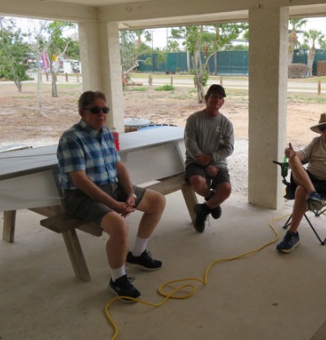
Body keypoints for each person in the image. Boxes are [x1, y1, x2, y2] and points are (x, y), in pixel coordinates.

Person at [57, 91, 166, 302]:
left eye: (104, 109)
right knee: (119, 226)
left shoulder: (105, 132)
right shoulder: (71, 138)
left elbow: (118, 166)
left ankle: (137, 254)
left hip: (111, 187)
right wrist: (114, 204)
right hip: (81, 197)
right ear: (82, 112)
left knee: (157, 201)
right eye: (95, 110)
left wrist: (130, 193)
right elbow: (80, 181)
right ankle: (117, 279)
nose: (101, 114)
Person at [276, 112, 326, 254]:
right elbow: (303, 154)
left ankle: (292, 234)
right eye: (322, 129)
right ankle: (313, 194)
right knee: (293, 159)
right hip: (309, 178)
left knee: (301, 190)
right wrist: (293, 154)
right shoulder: (316, 142)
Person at [184, 84, 234, 233]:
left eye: (220, 98)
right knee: (197, 181)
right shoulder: (194, 119)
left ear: (223, 102)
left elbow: (229, 148)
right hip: (195, 160)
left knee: (226, 189)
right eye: (214, 97)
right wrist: (206, 165)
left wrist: (212, 157)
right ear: (207, 98)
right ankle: (212, 200)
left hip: (218, 163)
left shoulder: (226, 124)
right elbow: (190, 144)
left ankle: (203, 210)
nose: (217, 100)